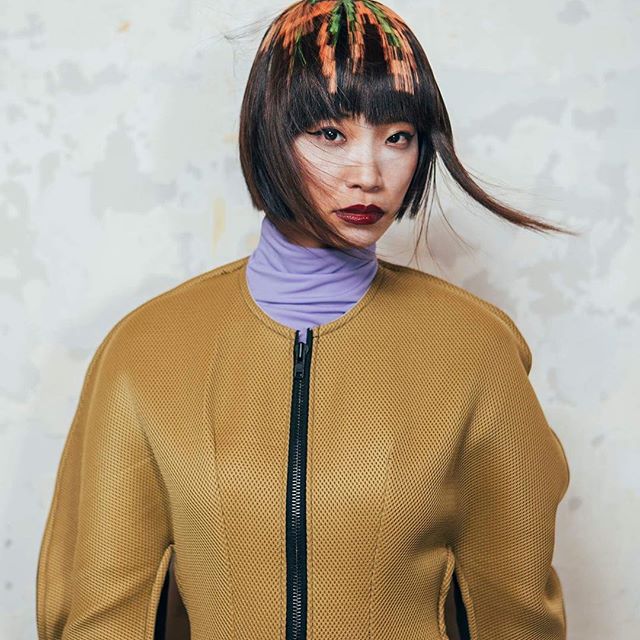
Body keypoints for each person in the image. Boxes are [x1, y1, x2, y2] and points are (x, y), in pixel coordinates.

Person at [35, 1, 576, 639]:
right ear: (270, 136)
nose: (369, 175)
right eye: (330, 134)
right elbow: (100, 609)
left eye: (398, 137)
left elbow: (514, 609)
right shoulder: (146, 350)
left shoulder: (474, 348)